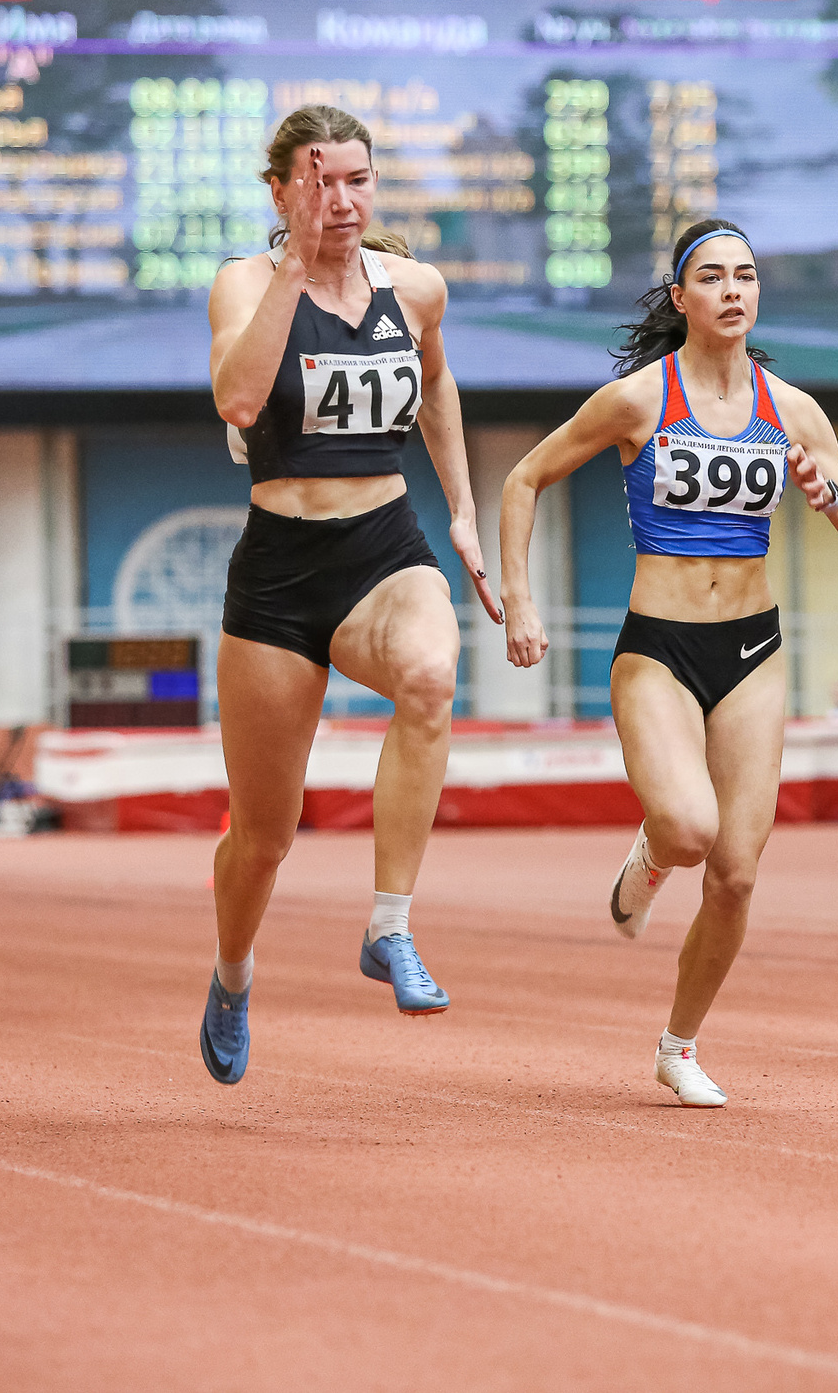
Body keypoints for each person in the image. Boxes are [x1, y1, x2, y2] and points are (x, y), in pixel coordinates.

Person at [500, 218, 838, 1107]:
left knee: (739, 871)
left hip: (752, 648)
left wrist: (828, 496)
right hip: (660, 647)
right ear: (681, 298)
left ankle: (679, 1044)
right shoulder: (639, 398)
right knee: (686, 826)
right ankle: (650, 855)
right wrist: (520, 600)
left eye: (746, 275)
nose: (733, 291)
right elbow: (524, 478)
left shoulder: (792, 408)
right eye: (712, 277)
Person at [198, 106, 501, 1088]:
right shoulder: (244, 283)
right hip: (280, 571)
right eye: (322, 182)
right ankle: (234, 973)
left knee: (427, 675)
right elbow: (240, 401)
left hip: (384, 543)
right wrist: (292, 273)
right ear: (282, 189)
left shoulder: (414, 287)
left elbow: (440, 386)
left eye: (358, 181)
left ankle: (389, 925)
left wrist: (460, 510)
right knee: (262, 838)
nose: (342, 200)